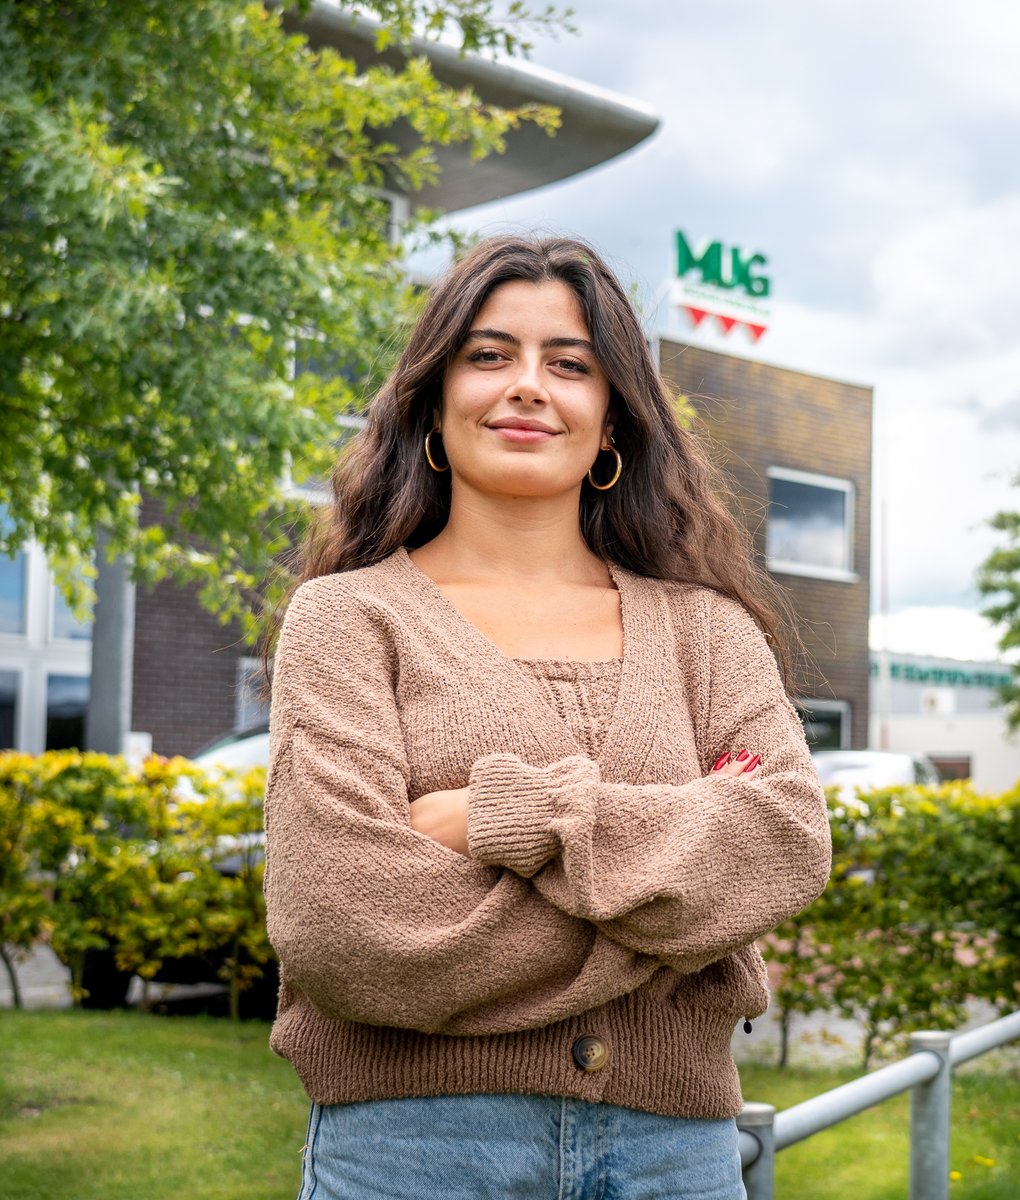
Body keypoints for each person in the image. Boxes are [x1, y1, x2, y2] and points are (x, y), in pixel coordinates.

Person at [263, 235, 831, 1200]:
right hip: (415, 1155)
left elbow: (781, 843)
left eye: (569, 364)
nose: (528, 385)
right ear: (435, 407)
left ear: (611, 420)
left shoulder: (706, 631)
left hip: (674, 1156)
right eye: (489, 356)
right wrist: (671, 920)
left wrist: (504, 820)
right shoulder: (349, 619)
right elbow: (343, 929)